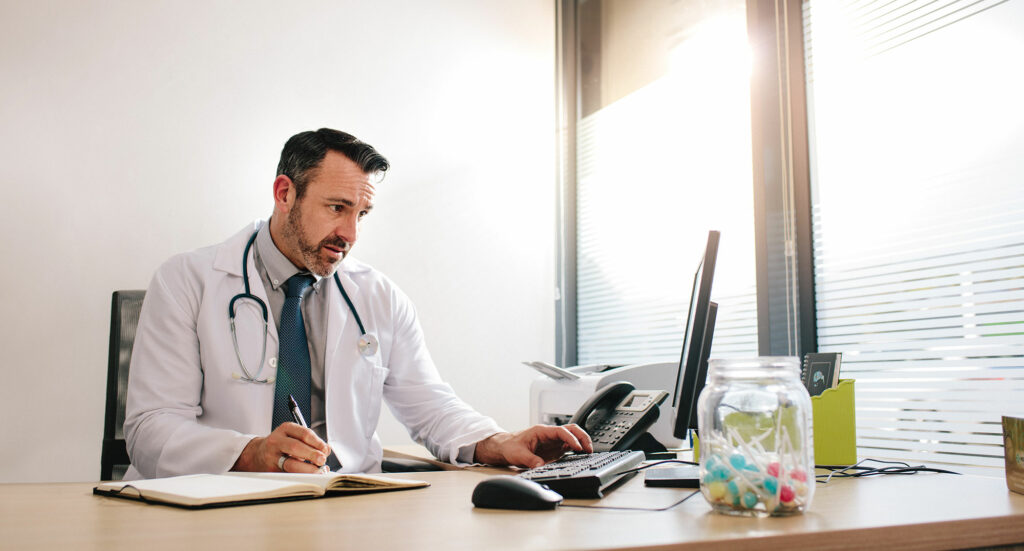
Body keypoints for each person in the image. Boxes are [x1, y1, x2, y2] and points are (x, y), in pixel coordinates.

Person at [123, 128, 591, 479]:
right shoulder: (187, 280)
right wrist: (252, 453)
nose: (350, 234)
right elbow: (151, 430)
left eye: (361, 213)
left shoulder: (379, 297)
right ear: (285, 194)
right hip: (215, 506)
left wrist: (501, 441)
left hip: (338, 509)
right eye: (336, 208)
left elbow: (430, 406)